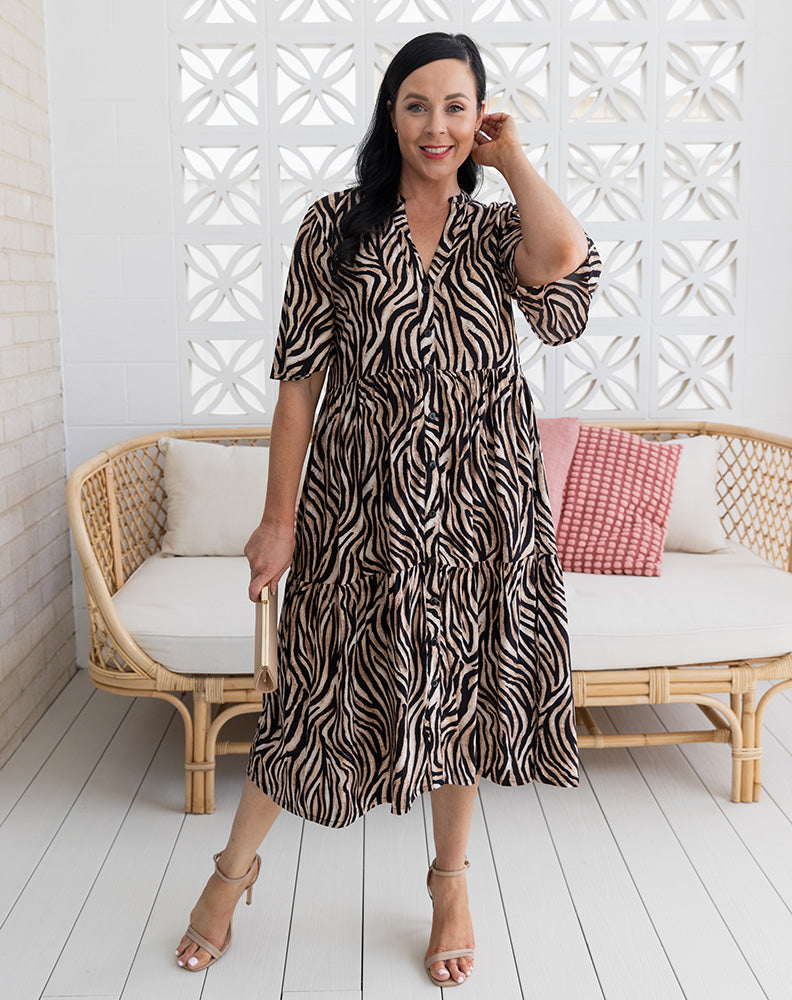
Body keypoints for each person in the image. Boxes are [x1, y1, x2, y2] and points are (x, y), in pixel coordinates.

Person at [175, 30, 600, 988]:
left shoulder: (497, 232)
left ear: (479, 118)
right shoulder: (335, 226)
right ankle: (230, 875)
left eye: (456, 107)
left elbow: (564, 263)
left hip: (483, 505)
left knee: (462, 697)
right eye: (416, 105)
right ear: (390, 115)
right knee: (313, 695)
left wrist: (512, 158)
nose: (436, 126)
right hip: (358, 506)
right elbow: (298, 385)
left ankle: (450, 883)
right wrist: (278, 519)